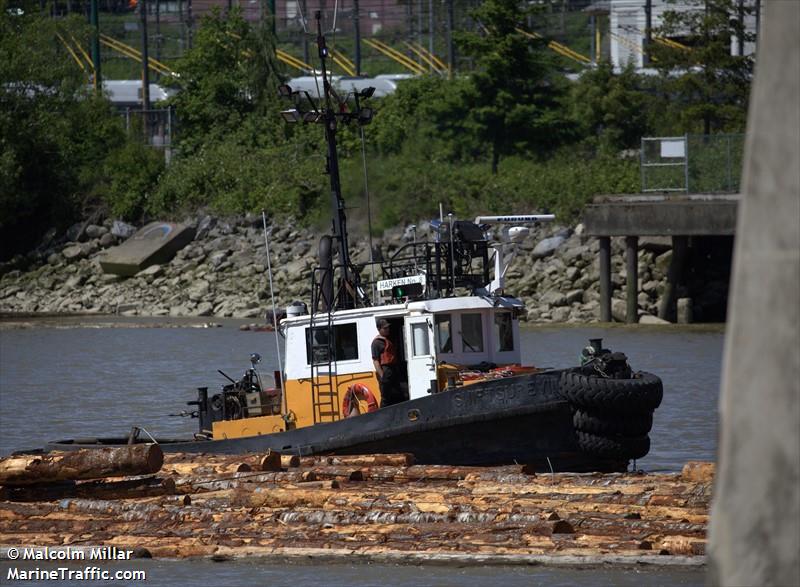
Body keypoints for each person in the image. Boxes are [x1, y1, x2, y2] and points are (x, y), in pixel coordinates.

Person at [372, 319, 403, 407]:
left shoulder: (387, 340)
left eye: (388, 328)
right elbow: (375, 361)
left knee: (397, 394)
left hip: (392, 370)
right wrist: (382, 376)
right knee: (385, 397)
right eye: (385, 328)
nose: (387, 329)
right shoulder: (376, 343)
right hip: (385, 370)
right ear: (379, 329)